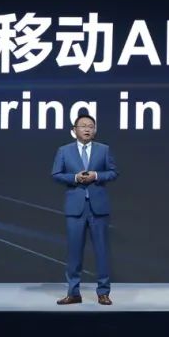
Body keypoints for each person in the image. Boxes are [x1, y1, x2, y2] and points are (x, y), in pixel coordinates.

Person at [50, 113, 118, 305]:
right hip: (75, 208)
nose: (87, 129)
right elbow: (56, 174)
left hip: (98, 208)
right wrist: (74, 178)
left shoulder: (104, 150)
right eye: (83, 126)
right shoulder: (64, 151)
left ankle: (103, 292)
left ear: (94, 131)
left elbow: (113, 172)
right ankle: (73, 293)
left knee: (102, 252)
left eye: (91, 126)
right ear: (74, 130)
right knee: (74, 252)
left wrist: (96, 175)